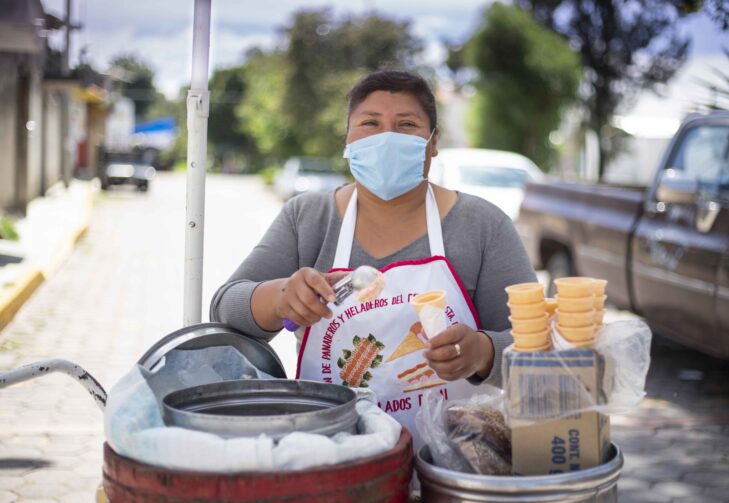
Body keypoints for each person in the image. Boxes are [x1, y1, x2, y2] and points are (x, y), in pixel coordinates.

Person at [210, 70, 536, 448]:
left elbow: (536, 348)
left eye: (407, 125)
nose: (387, 138)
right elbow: (224, 308)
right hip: (334, 457)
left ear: (433, 144)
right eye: (370, 123)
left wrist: (483, 353)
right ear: (347, 140)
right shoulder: (308, 218)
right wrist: (281, 297)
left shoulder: (482, 226)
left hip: (449, 464)